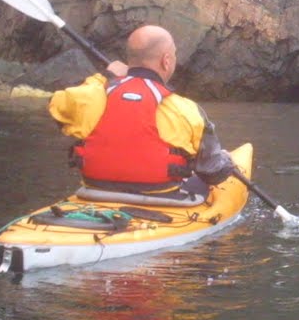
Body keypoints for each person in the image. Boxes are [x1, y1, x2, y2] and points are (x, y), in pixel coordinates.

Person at [48, 24, 237, 198]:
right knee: (203, 175)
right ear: (167, 61)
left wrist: (107, 77)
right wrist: (227, 161)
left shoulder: (91, 96)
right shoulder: (185, 109)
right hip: (161, 196)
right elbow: (212, 173)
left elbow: (56, 106)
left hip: (96, 191)